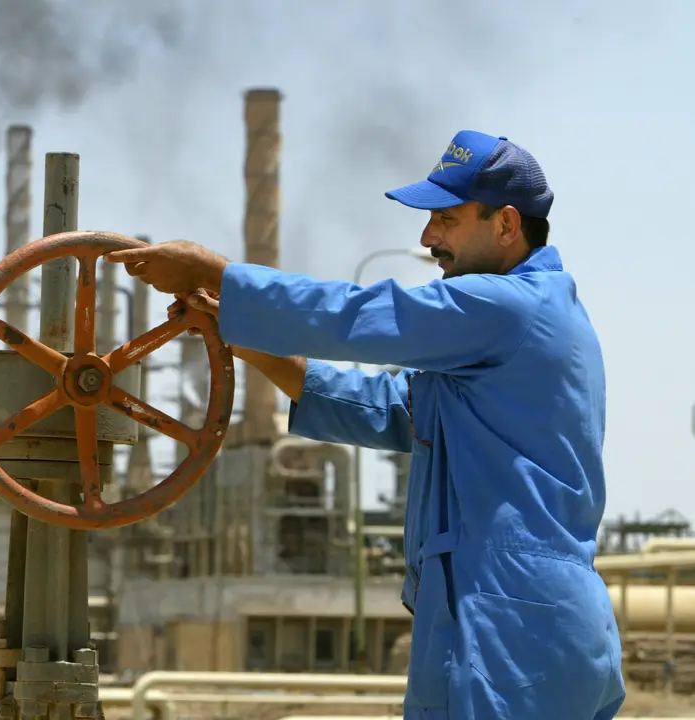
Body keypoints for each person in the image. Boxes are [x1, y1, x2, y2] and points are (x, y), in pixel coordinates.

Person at [106, 130, 626, 719]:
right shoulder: (516, 330)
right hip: (506, 615)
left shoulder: (510, 306)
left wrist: (222, 275)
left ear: (506, 225)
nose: (428, 238)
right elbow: (391, 408)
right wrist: (249, 337)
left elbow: (364, 315)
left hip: (509, 622)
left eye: (446, 220)